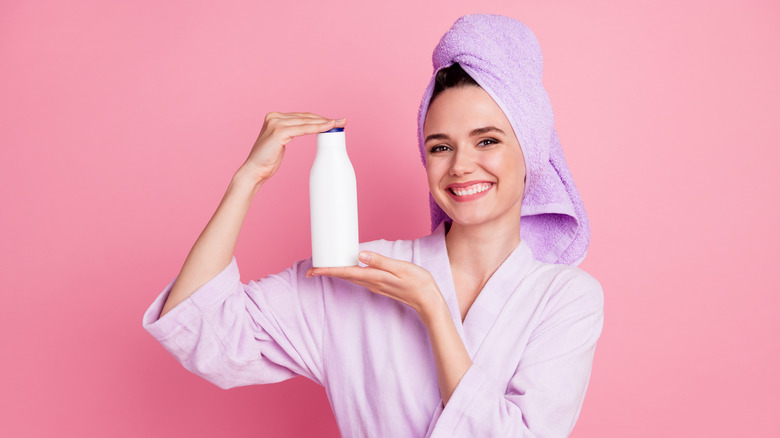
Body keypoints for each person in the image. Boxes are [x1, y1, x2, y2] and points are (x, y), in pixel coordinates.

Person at [143, 14, 603, 437]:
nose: (462, 165)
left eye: (487, 140)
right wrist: (247, 181)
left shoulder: (566, 298)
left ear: (531, 153)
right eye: (440, 147)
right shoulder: (360, 272)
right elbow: (204, 330)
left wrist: (432, 307)